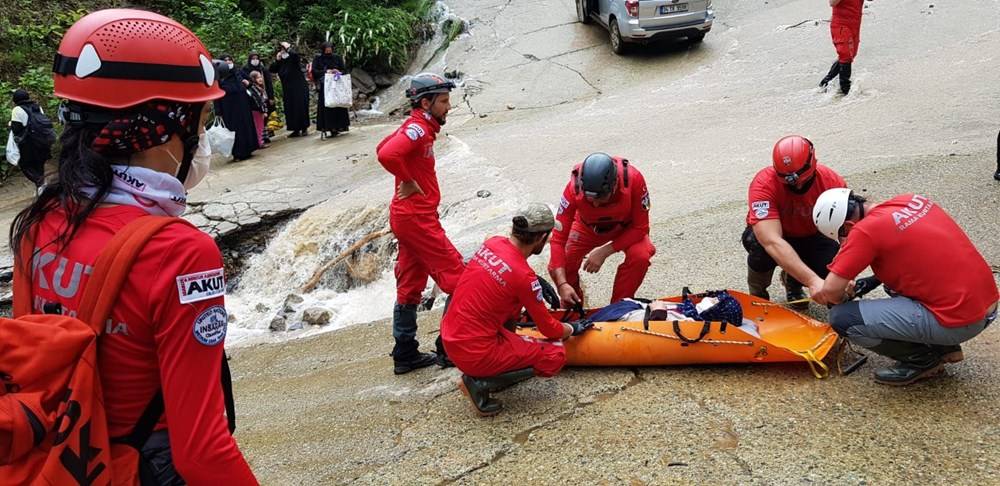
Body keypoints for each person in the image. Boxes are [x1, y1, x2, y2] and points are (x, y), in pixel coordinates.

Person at [20, 8, 257, 482]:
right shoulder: (180, 252)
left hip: (67, 458)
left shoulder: (41, 220)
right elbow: (202, 449)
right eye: (200, 121)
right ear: (162, 128)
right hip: (145, 467)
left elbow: (31, 369)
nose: (201, 138)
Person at [811, 189, 998, 385]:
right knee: (892, 286)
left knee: (843, 318)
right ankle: (945, 347)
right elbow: (913, 257)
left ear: (848, 225)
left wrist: (841, 298)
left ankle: (922, 360)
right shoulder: (910, 201)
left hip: (960, 322)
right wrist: (867, 283)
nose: (843, 242)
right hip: (985, 304)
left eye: (842, 236)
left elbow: (831, 290)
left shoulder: (864, 230)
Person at [442, 204, 592, 416]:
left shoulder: (492, 243)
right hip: (473, 351)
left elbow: (508, 292)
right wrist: (572, 327)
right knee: (554, 356)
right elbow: (550, 330)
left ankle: (493, 368)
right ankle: (480, 381)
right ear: (541, 238)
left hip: (452, 336)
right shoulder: (524, 277)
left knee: (513, 307)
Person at [376, 73, 466, 374]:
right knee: (459, 279)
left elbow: (382, 148)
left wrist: (407, 177)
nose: (448, 107)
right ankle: (449, 347)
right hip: (417, 218)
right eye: (443, 101)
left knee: (411, 284)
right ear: (425, 103)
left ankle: (405, 352)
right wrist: (411, 181)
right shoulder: (417, 127)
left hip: (409, 217)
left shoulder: (419, 126)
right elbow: (387, 154)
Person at [743, 135, 846, 308]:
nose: (797, 187)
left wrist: (844, 275)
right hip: (775, 236)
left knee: (832, 273)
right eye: (790, 184)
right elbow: (771, 241)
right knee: (759, 248)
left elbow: (847, 234)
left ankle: (793, 282)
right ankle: (758, 295)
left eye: (802, 181)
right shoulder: (763, 184)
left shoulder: (832, 183)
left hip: (813, 235)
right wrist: (813, 281)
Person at [547, 152, 654, 307]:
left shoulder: (634, 179)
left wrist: (604, 252)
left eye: (600, 199)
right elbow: (557, 239)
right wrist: (562, 284)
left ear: (615, 184)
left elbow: (640, 228)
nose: (595, 205)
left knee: (641, 256)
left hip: (626, 228)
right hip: (586, 227)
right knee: (559, 264)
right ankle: (573, 305)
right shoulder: (572, 189)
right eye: (590, 199)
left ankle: (619, 305)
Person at [214, 61, 259, 161]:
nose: (228, 62)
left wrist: (248, 83)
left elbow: (249, 83)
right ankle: (238, 153)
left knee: (246, 127)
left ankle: (249, 149)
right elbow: (216, 96)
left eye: (230, 59)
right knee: (234, 131)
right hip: (229, 110)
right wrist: (218, 111)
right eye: (225, 60)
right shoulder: (219, 79)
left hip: (243, 107)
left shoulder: (238, 74)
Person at [7, 89, 52, 186]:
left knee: (25, 166)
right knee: (39, 165)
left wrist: (10, 125)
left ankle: (41, 184)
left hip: (29, 144)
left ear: (15, 100)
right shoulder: (37, 107)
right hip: (43, 140)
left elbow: (16, 129)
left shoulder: (17, 110)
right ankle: (41, 188)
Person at [818, 0, 864, 95]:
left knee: (851, 55)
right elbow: (832, 3)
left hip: (855, 25)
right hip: (841, 25)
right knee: (846, 55)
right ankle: (846, 91)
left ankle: (825, 83)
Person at [269, 41, 310, 137]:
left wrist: (288, 48)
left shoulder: (293, 58)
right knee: (290, 109)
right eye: (281, 49)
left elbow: (295, 55)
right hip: (288, 89)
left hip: (299, 87)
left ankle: (304, 128)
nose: (282, 51)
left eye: (284, 49)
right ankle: (295, 129)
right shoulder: (281, 61)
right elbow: (272, 69)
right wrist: (277, 60)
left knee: (301, 107)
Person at [311, 42, 351, 139]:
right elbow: (314, 71)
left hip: (337, 86)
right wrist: (326, 72)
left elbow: (344, 70)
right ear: (323, 49)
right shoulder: (318, 59)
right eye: (327, 48)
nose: (329, 50)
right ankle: (328, 127)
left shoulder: (337, 57)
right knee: (327, 107)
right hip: (325, 86)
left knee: (338, 105)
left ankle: (339, 127)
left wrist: (338, 72)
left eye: (330, 48)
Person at [242, 52, 276, 143]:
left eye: (257, 58)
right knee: (257, 118)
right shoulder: (245, 70)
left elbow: (269, 83)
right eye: (253, 58)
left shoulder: (263, 69)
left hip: (264, 95)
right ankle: (258, 137)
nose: (255, 60)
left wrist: (271, 97)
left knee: (266, 115)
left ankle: (265, 135)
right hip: (253, 97)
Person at [248, 71, 270, 148]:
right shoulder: (254, 88)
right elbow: (258, 101)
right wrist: (263, 111)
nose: (260, 79)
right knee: (258, 127)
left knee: (261, 126)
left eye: (260, 77)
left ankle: (260, 141)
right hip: (257, 110)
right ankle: (259, 142)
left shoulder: (260, 87)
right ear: (253, 79)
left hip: (260, 110)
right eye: (257, 77)